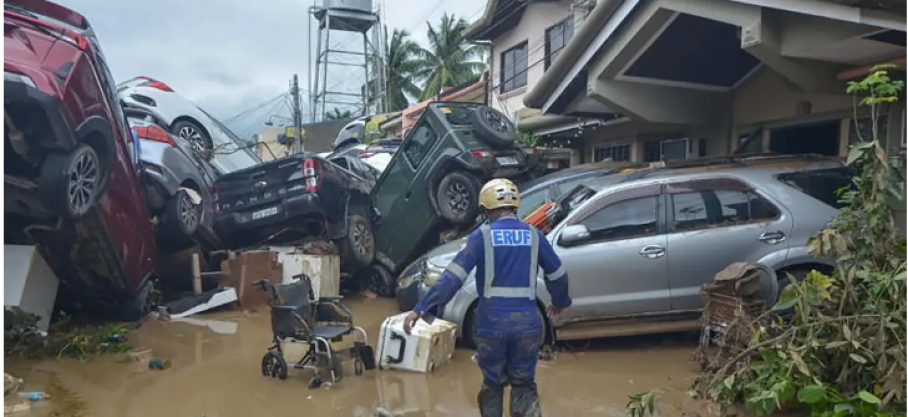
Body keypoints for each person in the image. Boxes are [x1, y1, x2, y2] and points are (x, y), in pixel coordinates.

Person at [403, 178, 572, 417]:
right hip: (527, 324)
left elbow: (452, 278)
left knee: (493, 384)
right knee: (524, 384)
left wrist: (421, 309)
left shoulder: (481, 237)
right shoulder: (534, 236)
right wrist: (560, 302)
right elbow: (559, 275)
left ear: (486, 209)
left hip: (491, 325)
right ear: (514, 207)